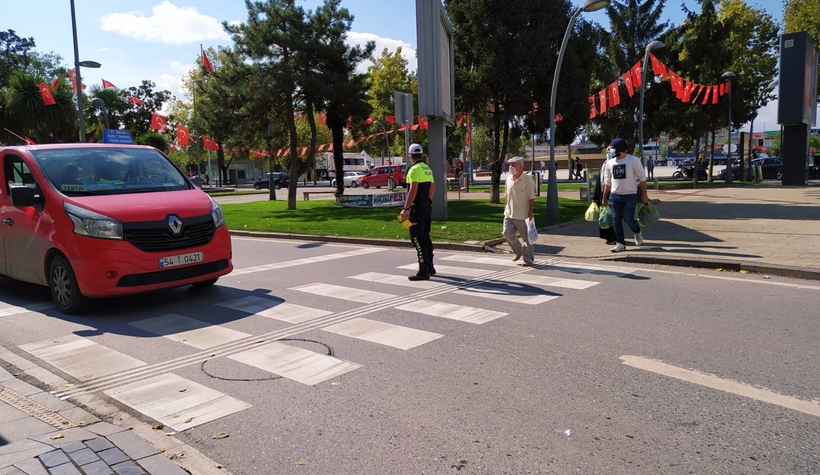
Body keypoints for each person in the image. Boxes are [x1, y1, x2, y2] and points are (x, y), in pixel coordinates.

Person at [602, 138, 649, 253]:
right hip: (614, 196)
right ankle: (620, 243)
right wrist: (604, 197)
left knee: (628, 218)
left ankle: (637, 231)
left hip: (630, 195)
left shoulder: (633, 161)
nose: (610, 151)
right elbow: (607, 182)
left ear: (620, 150)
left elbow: (642, 179)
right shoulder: (610, 163)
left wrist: (644, 195)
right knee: (616, 219)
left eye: (612, 149)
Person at [401, 143, 436, 280]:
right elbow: (433, 188)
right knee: (425, 237)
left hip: (416, 209)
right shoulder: (427, 169)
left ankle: (423, 271)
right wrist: (427, 200)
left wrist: (405, 209)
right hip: (426, 207)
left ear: (410, 157)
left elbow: (413, 189)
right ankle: (430, 266)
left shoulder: (413, 170)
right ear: (421, 155)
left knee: (416, 237)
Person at [502, 156, 536, 266]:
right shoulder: (508, 178)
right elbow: (506, 194)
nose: (510, 167)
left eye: (513, 165)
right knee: (506, 233)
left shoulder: (527, 180)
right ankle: (517, 251)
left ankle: (528, 259)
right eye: (510, 165)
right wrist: (505, 207)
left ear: (520, 167)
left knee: (526, 238)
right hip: (509, 213)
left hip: (523, 214)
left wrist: (530, 212)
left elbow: (531, 197)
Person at [593, 148, 617, 245]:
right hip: (602, 193)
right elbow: (599, 181)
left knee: (611, 216)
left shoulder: (615, 164)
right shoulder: (604, 164)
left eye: (609, 151)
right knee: (604, 216)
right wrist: (595, 197)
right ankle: (607, 236)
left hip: (612, 193)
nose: (608, 153)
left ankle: (613, 237)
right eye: (607, 151)